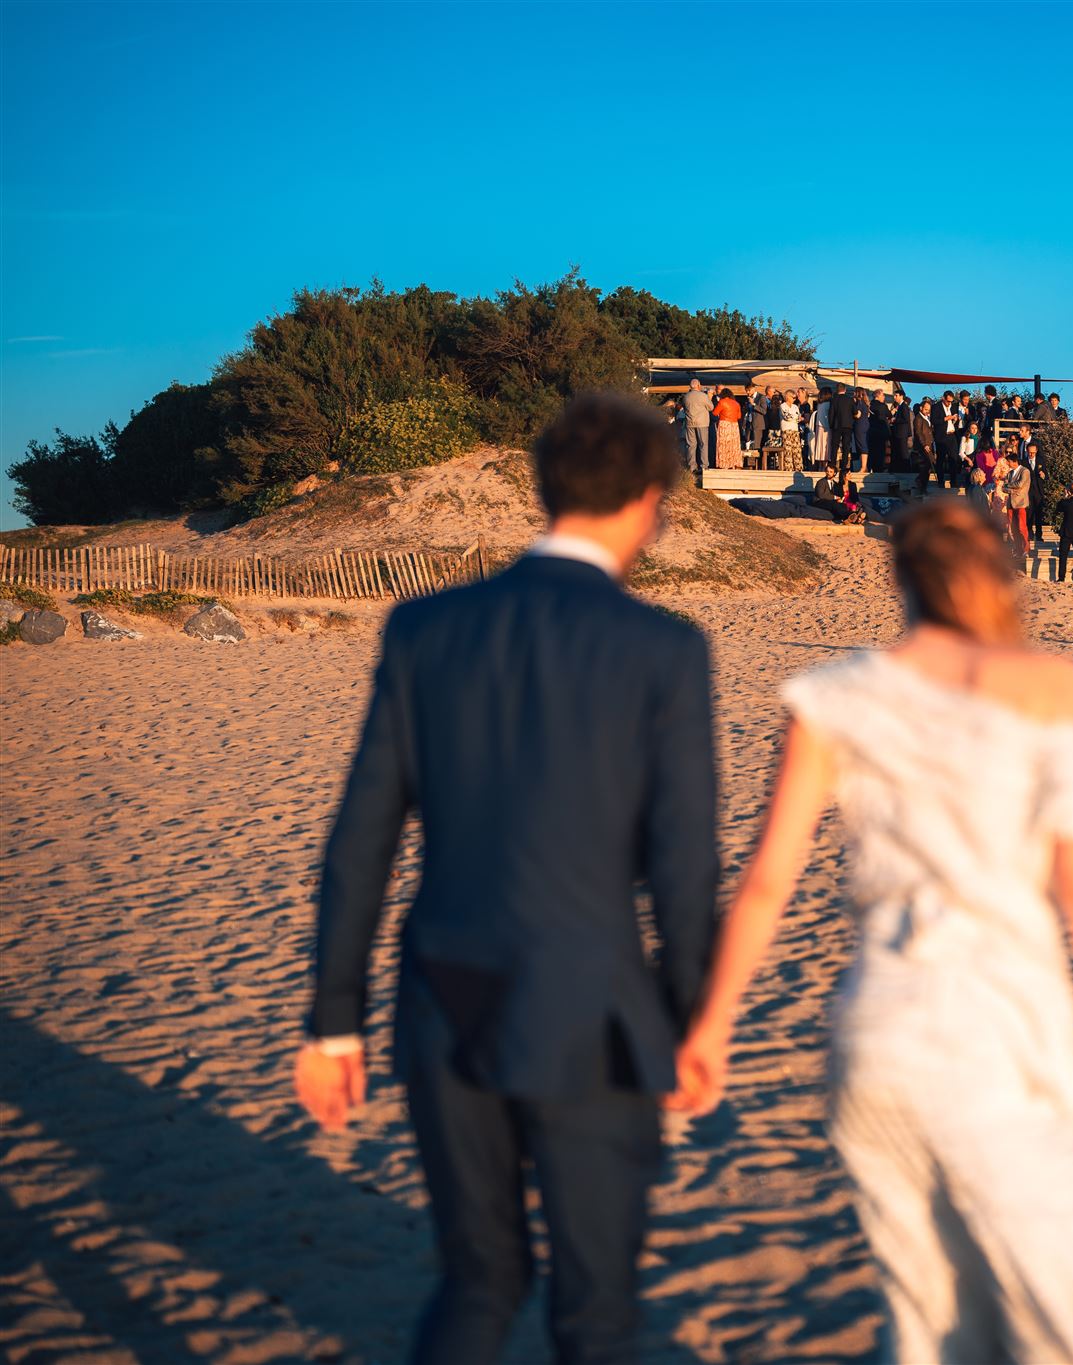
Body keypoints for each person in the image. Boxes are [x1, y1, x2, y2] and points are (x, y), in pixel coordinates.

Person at [670, 501, 1073, 1364]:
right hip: (996, 1032)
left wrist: (712, 1026)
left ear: (902, 578)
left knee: (929, 1323)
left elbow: (766, 883)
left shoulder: (831, 697)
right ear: (1000, 574)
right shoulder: (1050, 686)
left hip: (875, 1036)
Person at [296, 392, 720, 1362]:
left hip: (443, 1000)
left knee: (477, 1279)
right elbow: (682, 861)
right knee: (596, 1310)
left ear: (545, 489)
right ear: (647, 502)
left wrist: (333, 1022)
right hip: (592, 1009)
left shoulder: (425, 628)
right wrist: (693, 1016)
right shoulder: (661, 647)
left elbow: (361, 841)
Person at [1002, 446, 1032, 555]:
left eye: (1009, 462)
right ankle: (1017, 548)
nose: (1007, 464)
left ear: (1014, 462)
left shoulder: (1025, 471)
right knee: (1012, 528)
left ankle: (1026, 548)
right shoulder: (1009, 473)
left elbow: (1020, 484)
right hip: (1010, 503)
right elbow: (1003, 488)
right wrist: (1012, 490)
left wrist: (1009, 486)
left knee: (1021, 527)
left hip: (1021, 503)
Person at [680, 378, 713, 473]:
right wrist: (709, 397)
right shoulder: (703, 396)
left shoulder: (686, 397)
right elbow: (711, 407)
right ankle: (704, 466)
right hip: (702, 423)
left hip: (690, 423)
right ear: (698, 385)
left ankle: (692, 467)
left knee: (691, 445)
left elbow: (684, 408)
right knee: (703, 444)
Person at [1021, 440, 1048, 543]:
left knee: (1039, 514)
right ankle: (1029, 534)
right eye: (1029, 452)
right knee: (1029, 514)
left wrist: (1043, 476)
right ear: (1027, 451)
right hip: (1028, 492)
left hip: (1038, 491)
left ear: (1036, 451)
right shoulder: (1023, 462)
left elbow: (1046, 476)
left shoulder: (1041, 461)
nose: (1031, 454)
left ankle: (1039, 535)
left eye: (1033, 452)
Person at [909, 398, 936, 496]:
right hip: (923, 446)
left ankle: (922, 485)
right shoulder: (918, 418)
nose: (927, 411)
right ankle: (921, 484)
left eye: (928, 409)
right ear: (921, 408)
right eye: (925, 409)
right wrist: (924, 444)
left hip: (929, 444)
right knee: (926, 465)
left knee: (929, 465)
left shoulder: (926, 418)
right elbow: (918, 433)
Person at [712, 387, 744, 469]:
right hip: (734, 425)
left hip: (724, 424)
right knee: (734, 445)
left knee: (723, 444)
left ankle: (724, 464)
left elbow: (715, 413)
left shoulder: (722, 402)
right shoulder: (736, 403)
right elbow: (739, 416)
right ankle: (734, 463)